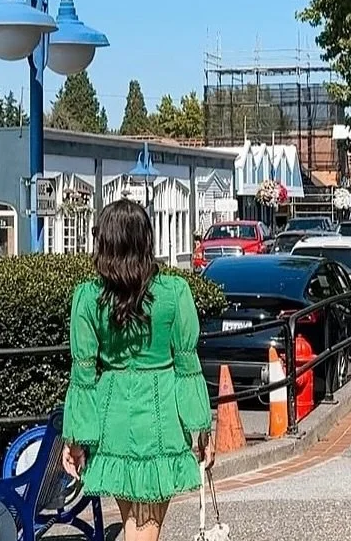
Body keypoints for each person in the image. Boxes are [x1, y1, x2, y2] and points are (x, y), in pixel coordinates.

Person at [62, 200, 213, 541]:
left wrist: (74, 438)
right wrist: (202, 428)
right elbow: (188, 367)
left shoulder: (88, 298)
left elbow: (83, 373)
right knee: (145, 531)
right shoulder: (174, 293)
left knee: (133, 524)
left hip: (110, 417)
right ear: (147, 240)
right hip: (161, 421)